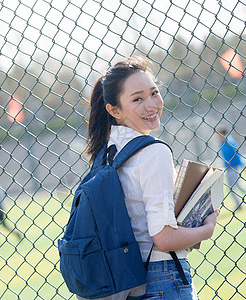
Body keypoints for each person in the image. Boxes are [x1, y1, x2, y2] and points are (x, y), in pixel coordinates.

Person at [84, 56, 220, 299]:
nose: (151, 105)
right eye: (138, 99)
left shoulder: (107, 152)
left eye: (154, 93)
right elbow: (164, 238)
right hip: (163, 278)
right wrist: (205, 230)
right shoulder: (153, 151)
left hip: (129, 281)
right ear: (114, 110)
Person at [216, 127, 246, 210]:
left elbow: (237, 153)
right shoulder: (222, 142)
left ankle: (238, 204)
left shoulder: (228, 142)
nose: (217, 137)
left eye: (218, 135)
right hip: (229, 167)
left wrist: (241, 164)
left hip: (232, 167)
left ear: (222, 134)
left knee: (231, 187)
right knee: (237, 185)